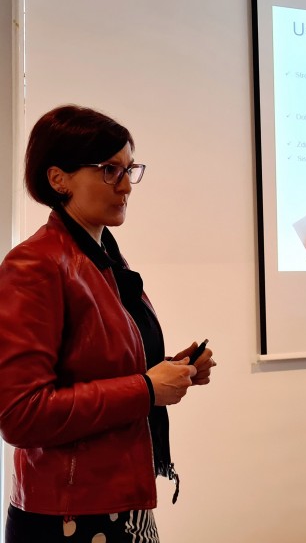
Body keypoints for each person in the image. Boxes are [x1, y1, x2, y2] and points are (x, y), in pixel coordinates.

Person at [0, 104, 215, 543]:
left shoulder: (105, 259)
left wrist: (172, 372)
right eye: (109, 170)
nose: (126, 186)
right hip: (69, 516)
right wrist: (147, 389)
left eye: (129, 169)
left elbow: (102, 367)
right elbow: (21, 415)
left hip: (117, 502)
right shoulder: (35, 264)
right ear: (58, 179)